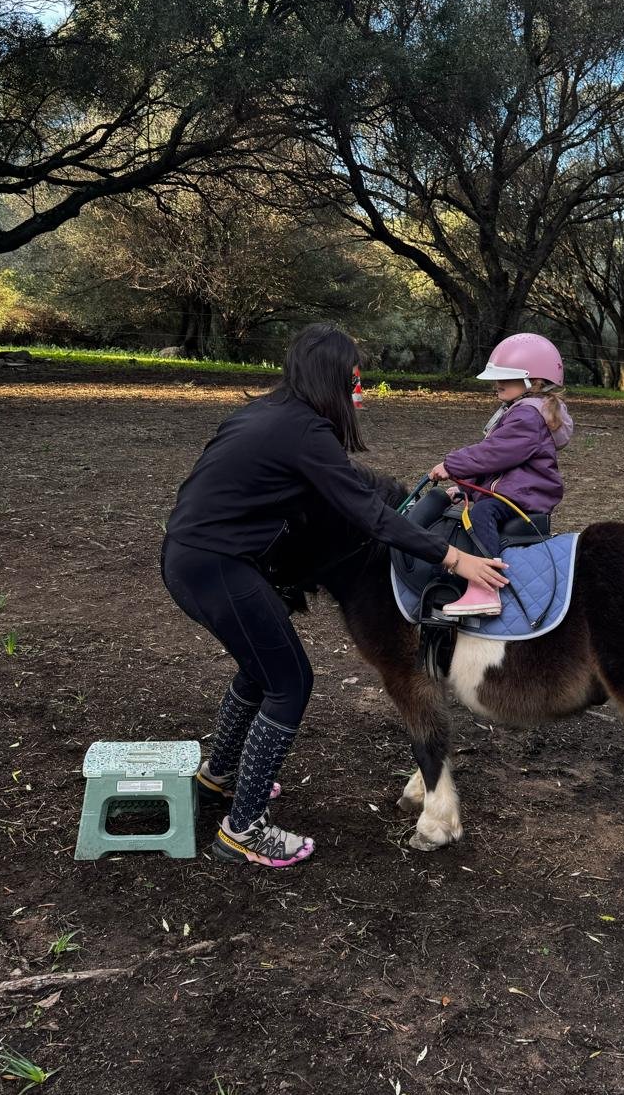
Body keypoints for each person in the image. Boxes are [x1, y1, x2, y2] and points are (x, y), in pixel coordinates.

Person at [161, 323, 507, 869]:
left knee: (260, 669)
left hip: (193, 557)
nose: (354, 391)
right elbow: (368, 515)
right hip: (217, 568)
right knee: (290, 682)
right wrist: (454, 558)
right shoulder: (303, 432)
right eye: (352, 380)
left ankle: (218, 778)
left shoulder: (265, 413)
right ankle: (243, 830)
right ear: (335, 380)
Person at [429, 333, 573, 618]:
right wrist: (466, 489)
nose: (497, 384)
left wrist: (452, 466)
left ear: (534, 380)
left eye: (505, 378)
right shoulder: (522, 411)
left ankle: (485, 588)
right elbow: (500, 470)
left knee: (481, 514)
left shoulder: (528, 416)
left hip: (526, 497)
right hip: (516, 490)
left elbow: (494, 453)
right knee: (474, 506)